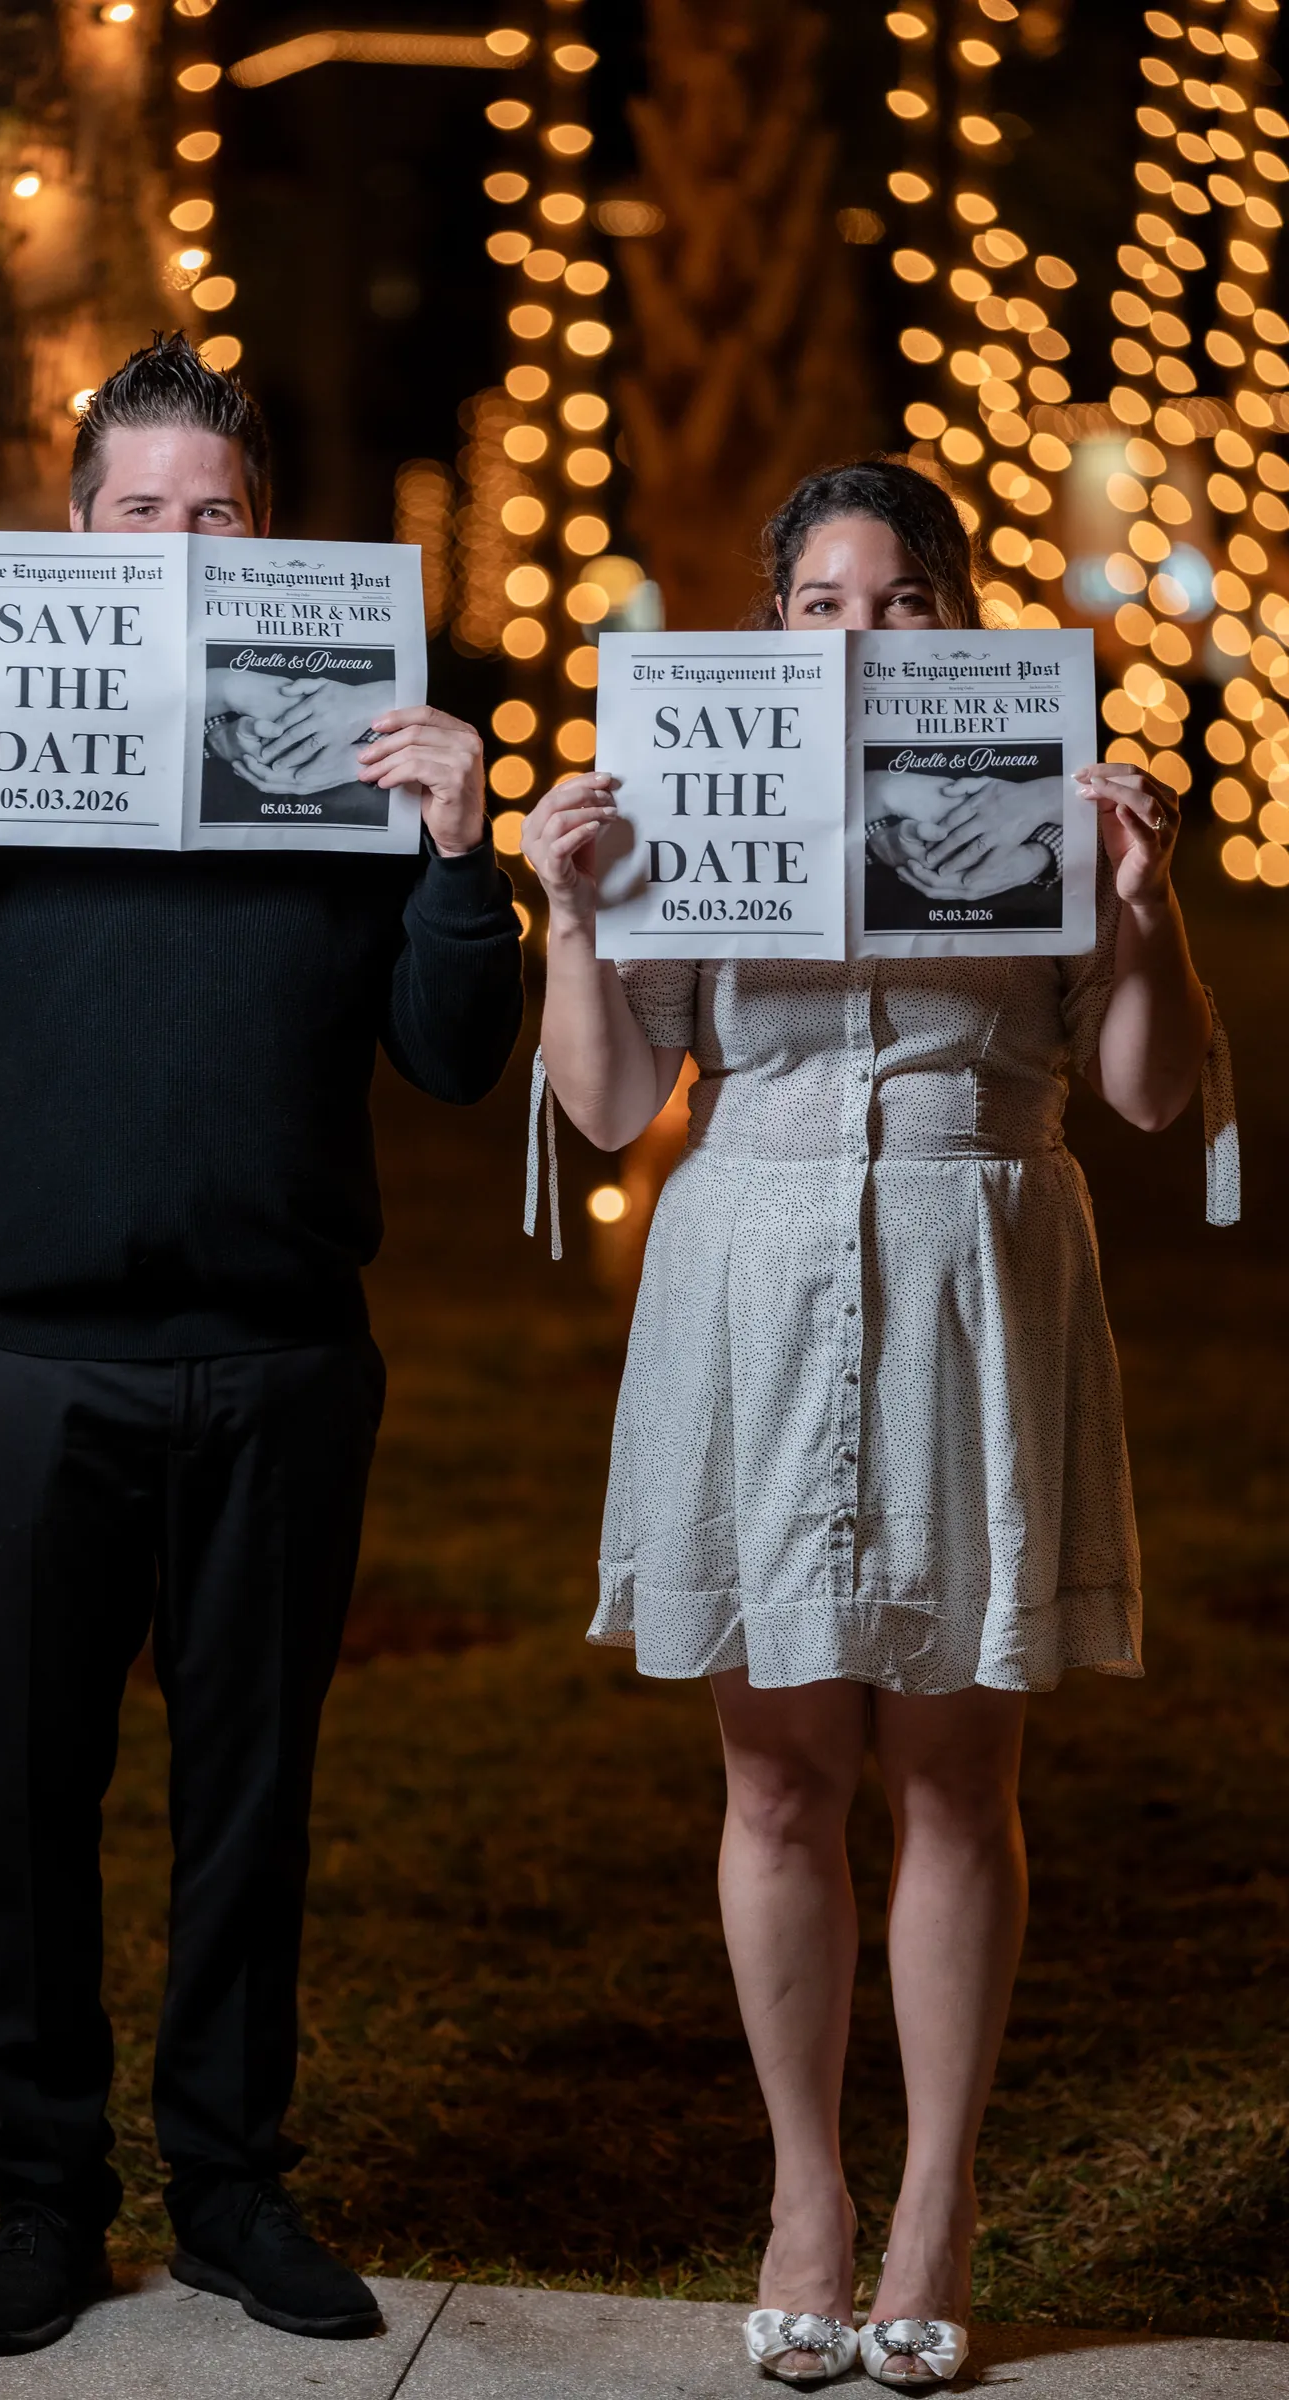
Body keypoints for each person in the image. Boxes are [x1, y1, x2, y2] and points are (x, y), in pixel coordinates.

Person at [0, 333, 523, 2357]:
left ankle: (229, 2192)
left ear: (265, 536)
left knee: (249, 1799)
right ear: (78, 532)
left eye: (219, 512)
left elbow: (457, 1063)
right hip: (29, 1365)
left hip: (281, 1358)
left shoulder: (365, 759)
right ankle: (43, 2202)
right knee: (22, 1796)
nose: (182, 542)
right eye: (140, 512)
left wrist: (463, 854)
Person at [519, 460, 1235, 2390]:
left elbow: (1156, 1097)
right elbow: (603, 1110)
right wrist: (572, 915)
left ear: (958, 622)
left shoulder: (1051, 802)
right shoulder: (691, 799)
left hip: (965, 1266)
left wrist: (1147, 906)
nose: (860, 634)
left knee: (949, 1776)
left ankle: (934, 2208)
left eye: (903, 600)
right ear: (772, 630)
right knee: (771, 1775)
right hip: (750, 1271)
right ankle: (807, 2196)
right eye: (820, 604)